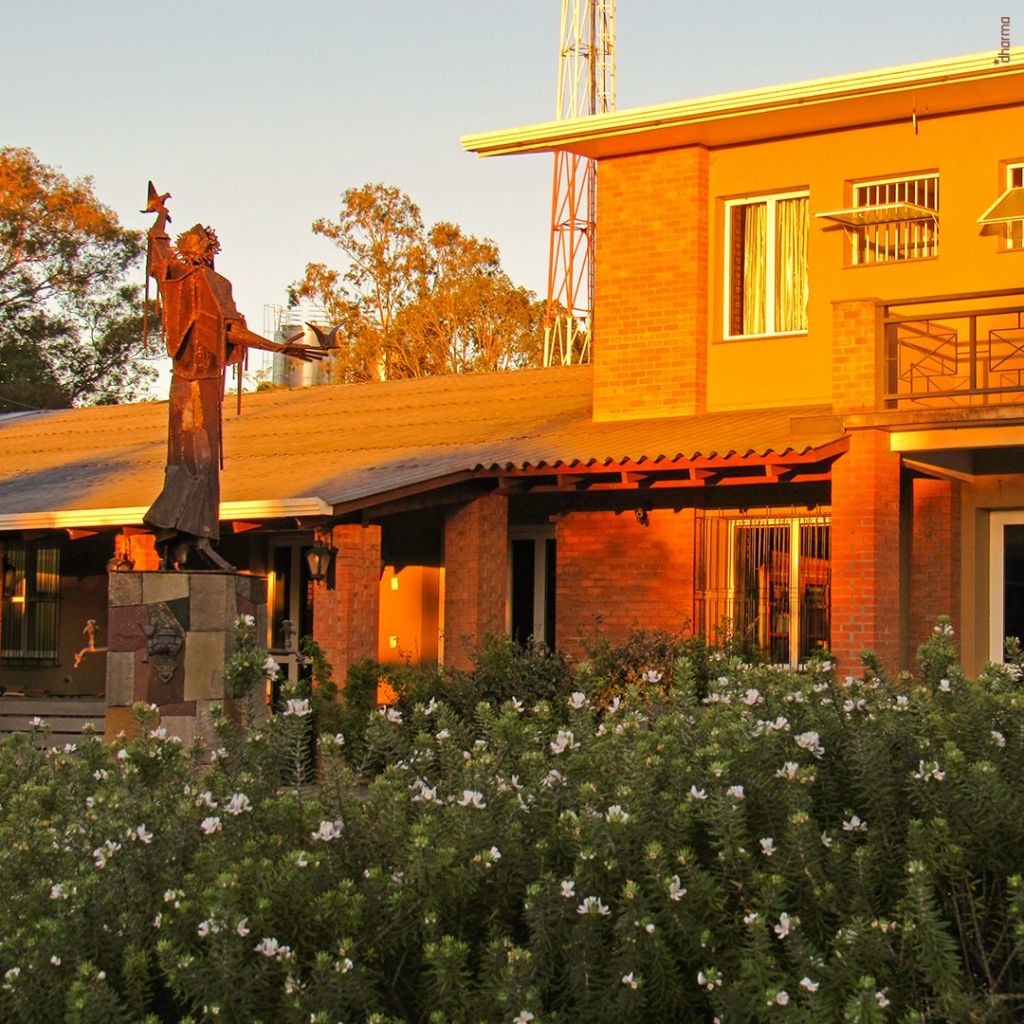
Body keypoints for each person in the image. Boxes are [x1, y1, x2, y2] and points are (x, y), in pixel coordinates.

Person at [141, 184, 322, 570]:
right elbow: (230, 329)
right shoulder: (206, 282)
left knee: (189, 460)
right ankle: (188, 535)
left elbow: (158, 253)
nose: (202, 252)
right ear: (205, 250)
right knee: (199, 462)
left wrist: (160, 219)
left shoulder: (187, 279)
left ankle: (181, 540)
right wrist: (279, 348)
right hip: (199, 381)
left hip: (188, 380)